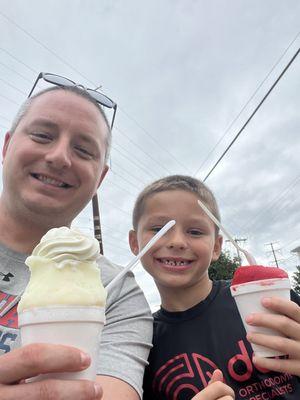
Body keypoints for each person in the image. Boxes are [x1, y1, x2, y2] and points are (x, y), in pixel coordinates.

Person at [0, 83, 153, 400]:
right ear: (6, 147)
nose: (59, 157)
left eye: (83, 151)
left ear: (99, 178)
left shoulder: (117, 292)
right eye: (43, 135)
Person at [129, 174, 300, 400]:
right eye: (159, 229)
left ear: (217, 247)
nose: (177, 241)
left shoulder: (266, 298)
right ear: (134, 243)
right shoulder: (138, 343)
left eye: (195, 231)